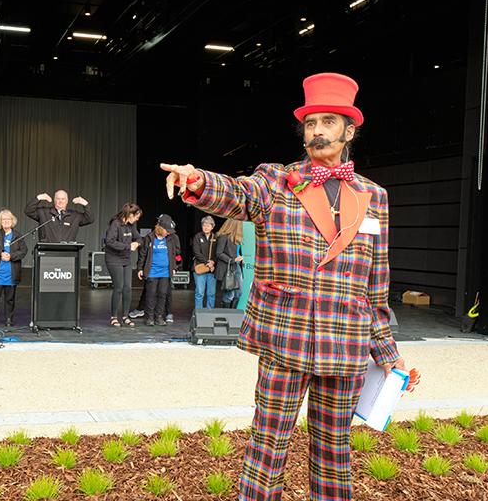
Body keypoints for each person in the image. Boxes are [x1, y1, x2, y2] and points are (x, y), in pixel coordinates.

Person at [161, 72, 414, 500]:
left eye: (329, 122)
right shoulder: (278, 181)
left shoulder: (375, 196)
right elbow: (239, 194)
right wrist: (198, 181)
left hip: (346, 342)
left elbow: (377, 282)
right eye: (311, 123)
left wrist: (387, 353)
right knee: (267, 449)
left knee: (335, 453)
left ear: (349, 130)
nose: (317, 130)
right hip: (285, 336)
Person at [0, 209, 28, 326]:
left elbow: (23, 251)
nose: (6, 221)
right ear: (0, 221)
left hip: (11, 273)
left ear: (12, 221)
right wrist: (0, 254)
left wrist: (11, 256)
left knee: (10, 299)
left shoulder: (18, 235)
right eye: (4, 219)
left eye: (9, 219)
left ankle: (9, 319)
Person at [136, 214, 179, 326]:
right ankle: (149, 317)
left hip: (165, 272)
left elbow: (173, 254)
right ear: (160, 228)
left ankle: (159, 316)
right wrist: (140, 268)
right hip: (152, 271)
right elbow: (142, 254)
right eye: (167, 230)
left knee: (163, 294)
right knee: (151, 294)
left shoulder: (170, 239)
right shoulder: (149, 238)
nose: (168, 232)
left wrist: (174, 267)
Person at [103, 203, 142, 327]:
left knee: (128, 288)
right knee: (119, 287)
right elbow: (109, 241)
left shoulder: (131, 226)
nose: (137, 219)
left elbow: (139, 238)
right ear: (130, 214)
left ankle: (125, 316)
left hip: (126, 259)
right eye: (136, 216)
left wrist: (137, 243)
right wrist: (127, 246)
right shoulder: (115, 223)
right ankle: (114, 317)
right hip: (113, 259)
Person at [25, 190, 94, 242]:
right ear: (54, 200)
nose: (60, 201)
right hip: (47, 251)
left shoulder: (74, 215)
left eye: (63, 199)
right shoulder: (44, 212)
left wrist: (85, 204)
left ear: (67, 201)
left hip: (68, 253)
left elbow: (90, 219)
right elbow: (28, 211)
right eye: (58, 198)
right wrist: (38, 198)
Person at [215, 218, 244, 308]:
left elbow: (238, 252)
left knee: (239, 293)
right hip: (229, 268)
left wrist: (241, 259)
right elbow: (219, 253)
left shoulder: (238, 239)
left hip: (237, 267)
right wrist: (232, 260)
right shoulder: (223, 237)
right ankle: (227, 314)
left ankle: (233, 314)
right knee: (229, 294)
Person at [191, 215, 217, 310]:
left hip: (211, 270)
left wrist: (213, 262)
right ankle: (199, 314)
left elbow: (218, 253)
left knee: (211, 293)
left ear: (212, 227)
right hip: (200, 268)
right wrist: (207, 262)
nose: (206, 227)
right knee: (199, 293)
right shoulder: (197, 237)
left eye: (208, 225)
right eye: (204, 225)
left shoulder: (216, 237)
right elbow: (196, 252)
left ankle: (210, 313)